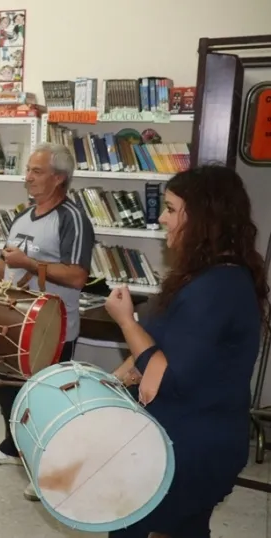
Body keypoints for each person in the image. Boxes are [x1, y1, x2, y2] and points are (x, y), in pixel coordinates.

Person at [104, 165, 266, 538]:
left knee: (128, 526)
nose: (162, 217)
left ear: (204, 219)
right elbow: (161, 348)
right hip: (194, 436)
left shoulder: (216, 288)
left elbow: (169, 380)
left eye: (171, 208)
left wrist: (126, 322)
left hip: (191, 448)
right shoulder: (210, 276)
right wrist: (107, 383)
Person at [0, 142, 94, 500]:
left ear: (59, 178)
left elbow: (79, 276)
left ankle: (50, 470)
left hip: (54, 326)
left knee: (45, 400)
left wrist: (30, 264)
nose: (28, 177)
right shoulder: (24, 215)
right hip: (15, 320)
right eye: (29, 170)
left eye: (36, 171)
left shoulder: (73, 218)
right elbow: (5, 259)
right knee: (9, 386)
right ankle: (12, 448)